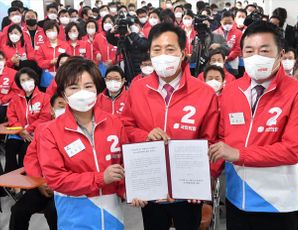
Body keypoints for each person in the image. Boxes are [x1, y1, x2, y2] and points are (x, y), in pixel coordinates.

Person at [208, 21, 298, 230]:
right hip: (236, 197)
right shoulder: (231, 90)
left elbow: (292, 150)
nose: (256, 56)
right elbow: (222, 138)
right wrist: (210, 175)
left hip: (276, 203)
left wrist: (239, 154)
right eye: (249, 51)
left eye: (264, 50)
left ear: (281, 54)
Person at [122, 22, 219, 230]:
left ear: (183, 53)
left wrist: (205, 181)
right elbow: (126, 128)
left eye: (170, 49)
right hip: (151, 186)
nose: (163, 55)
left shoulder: (204, 93)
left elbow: (212, 140)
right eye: (157, 50)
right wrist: (145, 136)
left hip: (188, 191)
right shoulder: (137, 89)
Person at [39, 57, 126, 230]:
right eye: (73, 87)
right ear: (63, 94)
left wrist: (135, 192)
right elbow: (56, 179)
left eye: (88, 86)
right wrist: (101, 178)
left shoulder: (115, 123)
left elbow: (126, 165)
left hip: (113, 218)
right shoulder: (50, 132)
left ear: (97, 89)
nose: (81, 92)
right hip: (75, 220)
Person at [10, 94, 65, 230]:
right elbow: (31, 158)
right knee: (18, 211)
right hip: (43, 184)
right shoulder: (42, 129)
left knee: (53, 212)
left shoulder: (79, 131)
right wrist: (40, 182)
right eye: (61, 105)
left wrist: (58, 186)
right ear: (52, 110)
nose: (66, 109)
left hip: (66, 188)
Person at [5, 67, 51, 173]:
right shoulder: (15, 99)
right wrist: (21, 130)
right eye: (23, 80)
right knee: (10, 149)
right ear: (19, 83)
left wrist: (28, 129)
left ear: (34, 79)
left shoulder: (45, 97)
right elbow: (11, 116)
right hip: (18, 133)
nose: (26, 82)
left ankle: (25, 180)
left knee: (24, 152)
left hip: (34, 134)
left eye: (29, 79)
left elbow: (44, 117)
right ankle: (11, 183)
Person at [107, 18, 149, 83]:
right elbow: (112, 40)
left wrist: (131, 34)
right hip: (129, 71)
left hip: (142, 70)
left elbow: (144, 45)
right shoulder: (125, 39)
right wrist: (111, 32)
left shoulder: (141, 36)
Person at [213, 11, 242, 76]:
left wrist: (228, 58)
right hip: (218, 61)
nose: (227, 25)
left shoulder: (238, 33)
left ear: (233, 21)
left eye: (230, 23)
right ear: (221, 22)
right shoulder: (215, 33)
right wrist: (220, 58)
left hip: (232, 62)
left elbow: (237, 48)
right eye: (225, 23)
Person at [0, 51, 20, 123]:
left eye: (0, 59)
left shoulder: (13, 73)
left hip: (6, 103)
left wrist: (2, 100)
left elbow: (16, 91)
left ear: (5, 60)